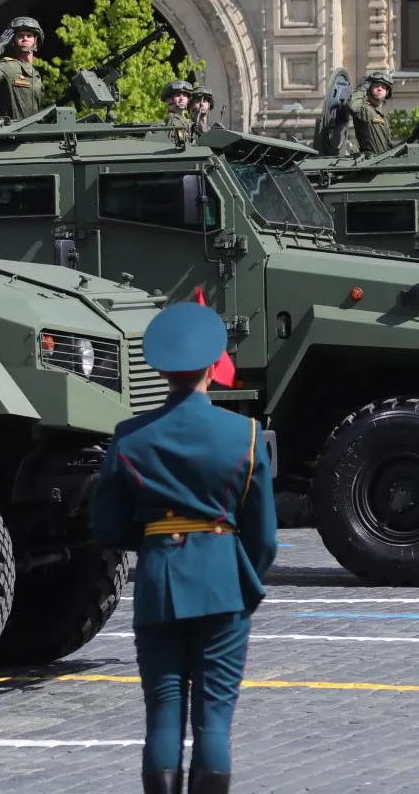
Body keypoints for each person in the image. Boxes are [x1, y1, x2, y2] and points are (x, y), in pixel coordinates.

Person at [91, 301, 276, 794]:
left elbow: (107, 527)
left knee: (163, 712)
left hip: (159, 582)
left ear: (160, 369)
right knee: (214, 719)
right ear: (215, 366)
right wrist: (244, 580)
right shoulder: (246, 434)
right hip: (223, 583)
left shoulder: (130, 438)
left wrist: (155, 541)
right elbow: (266, 538)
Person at [0, 16, 45, 119]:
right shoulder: (9, 66)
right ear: (13, 40)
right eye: (20, 36)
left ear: (35, 40)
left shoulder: (36, 74)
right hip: (13, 131)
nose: (25, 38)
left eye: (29, 36)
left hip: (34, 131)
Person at [349, 71, 395, 156]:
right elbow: (353, 105)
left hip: (384, 162)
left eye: (384, 87)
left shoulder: (383, 117)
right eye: (376, 85)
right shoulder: (364, 109)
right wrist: (362, 88)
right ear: (369, 88)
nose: (380, 89)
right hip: (371, 163)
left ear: (387, 92)